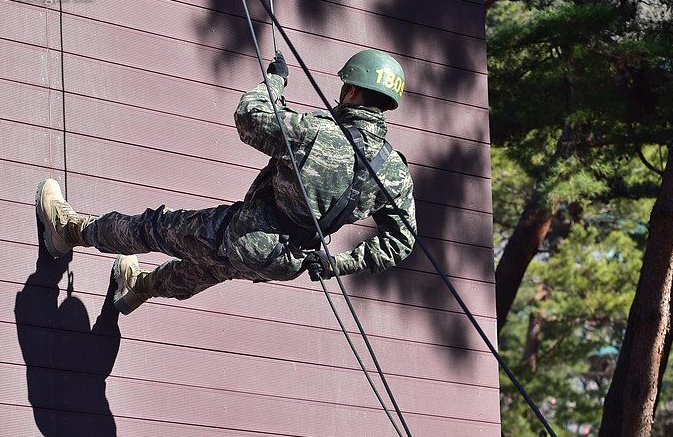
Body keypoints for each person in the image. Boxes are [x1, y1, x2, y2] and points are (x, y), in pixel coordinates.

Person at [35, 49, 417, 315]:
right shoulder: (393, 171)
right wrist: (337, 265)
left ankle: (69, 232)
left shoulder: (319, 132)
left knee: (155, 229)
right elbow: (401, 241)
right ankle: (139, 288)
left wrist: (275, 82)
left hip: (248, 235)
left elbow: (250, 117)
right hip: (287, 263)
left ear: (351, 90)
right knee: (206, 268)